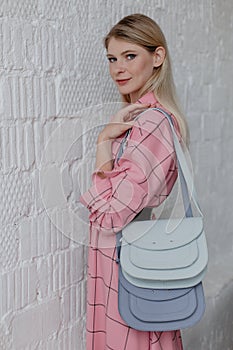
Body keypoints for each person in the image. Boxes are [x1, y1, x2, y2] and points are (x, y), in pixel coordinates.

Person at [80, 13, 189, 350]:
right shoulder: (141, 118)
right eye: (112, 58)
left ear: (157, 58)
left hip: (125, 262)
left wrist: (103, 144)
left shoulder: (151, 123)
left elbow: (113, 214)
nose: (118, 69)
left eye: (130, 56)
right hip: (126, 261)